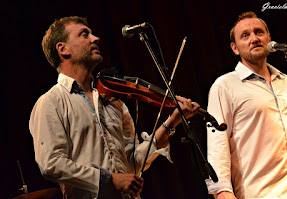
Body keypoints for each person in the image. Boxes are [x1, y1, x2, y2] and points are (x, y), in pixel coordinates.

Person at [29, 16, 200, 199]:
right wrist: (109, 179)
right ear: (63, 49)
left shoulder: (112, 101)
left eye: (92, 33)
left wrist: (171, 122)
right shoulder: (51, 102)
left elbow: (132, 164)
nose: (95, 38)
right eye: (84, 34)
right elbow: (51, 164)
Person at [205, 11, 287, 199]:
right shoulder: (224, 86)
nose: (254, 39)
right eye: (245, 35)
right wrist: (223, 192)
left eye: (259, 32)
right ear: (235, 48)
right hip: (262, 194)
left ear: (269, 38)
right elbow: (218, 145)